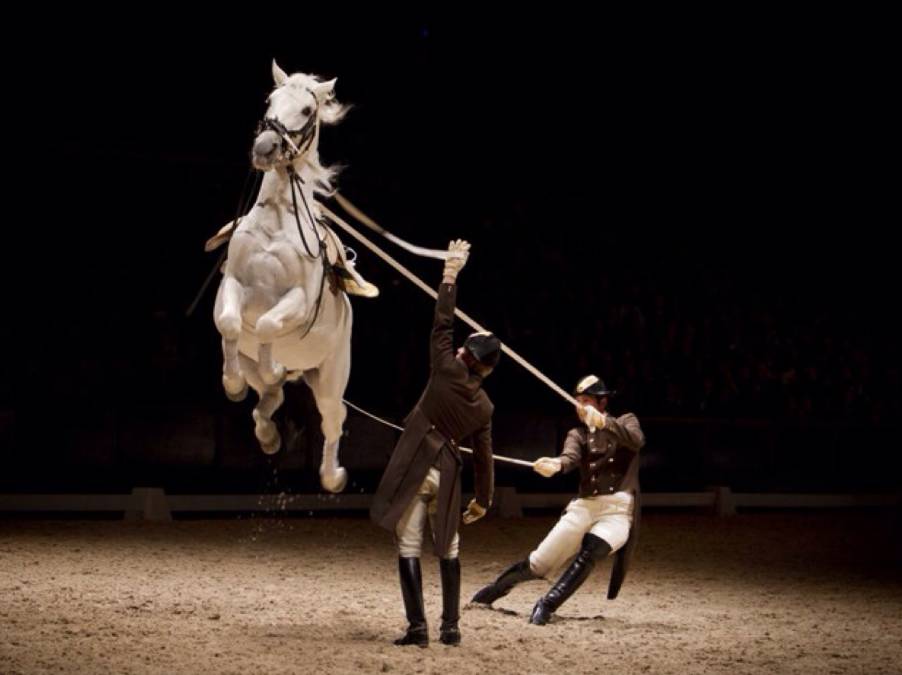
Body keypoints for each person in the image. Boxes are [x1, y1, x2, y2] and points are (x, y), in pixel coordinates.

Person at [370, 239, 501, 646]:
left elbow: (442, 321)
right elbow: (483, 457)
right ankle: (451, 628)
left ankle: (418, 628)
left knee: (408, 544)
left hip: (415, 465)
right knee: (449, 547)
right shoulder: (485, 407)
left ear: (466, 356)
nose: (459, 346)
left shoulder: (445, 367)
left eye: (465, 346)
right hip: (447, 472)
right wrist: (483, 499)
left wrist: (450, 275)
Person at [471, 374, 644, 624]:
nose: (580, 406)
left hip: (618, 510)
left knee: (591, 551)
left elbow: (636, 441)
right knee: (538, 564)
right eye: (577, 401)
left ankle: (547, 604)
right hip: (585, 507)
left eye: (586, 401)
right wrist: (556, 464)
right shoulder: (578, 434)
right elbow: (569, 457)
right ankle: (495, 590)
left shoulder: (626, 421)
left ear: (602, 403)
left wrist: (605, 423)